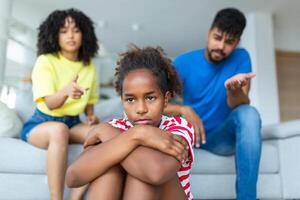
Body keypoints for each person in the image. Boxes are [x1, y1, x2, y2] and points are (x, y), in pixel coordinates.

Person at [66, 46, 195, 200]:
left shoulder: (178, 126)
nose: (141, 109)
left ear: (166, 99)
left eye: (150, 98)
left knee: (142, 174)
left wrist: (134, 134)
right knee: (108, 167)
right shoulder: (116, 126)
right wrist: (136, 136)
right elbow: (73, 177)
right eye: (130, 100)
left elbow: (156, 173)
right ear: (122, 101)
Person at [165, 8, 262, 200]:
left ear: (237, 43)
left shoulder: (242, 57)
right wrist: (183, 109)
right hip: (190, 136)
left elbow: (241, 105)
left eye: (229, 42)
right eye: (217, 38)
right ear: (209, 33)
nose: (221, 46)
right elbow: (159, 104)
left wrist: (233, 90)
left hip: (220, 138)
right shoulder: (184, 62)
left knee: (249, 113)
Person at [20, 8, 99, 200]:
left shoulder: (89, 66)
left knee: (101, 135)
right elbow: (50, 103)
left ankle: (75, 197)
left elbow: (90, 101)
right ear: (54, 35)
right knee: (58, 130)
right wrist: (65, 91)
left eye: (76, 30)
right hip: (41, 123)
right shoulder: (45, 61)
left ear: (85, 34)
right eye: (63, 31)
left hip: (72, 121)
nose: (70, 36)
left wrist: (90, 116)